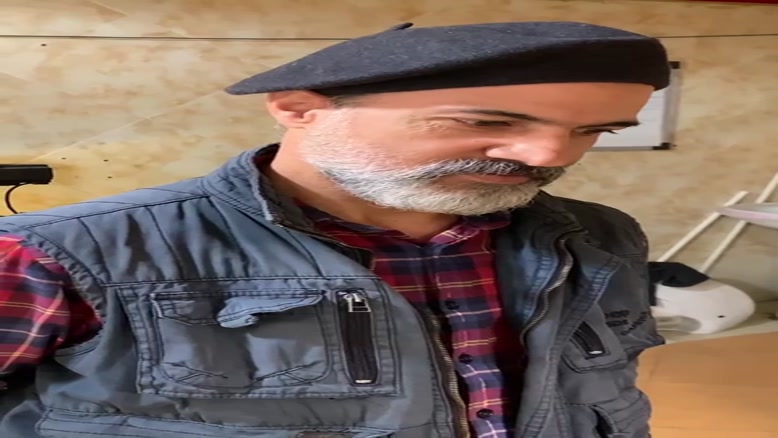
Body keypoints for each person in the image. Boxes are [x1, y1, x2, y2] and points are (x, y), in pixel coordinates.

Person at [0, 20, 669, 438]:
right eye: (485, 122)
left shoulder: (601, 238)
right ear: (298, 110)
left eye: (593, 131)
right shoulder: (60, 254)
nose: (549, 156)